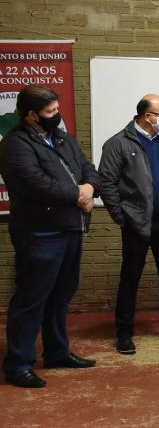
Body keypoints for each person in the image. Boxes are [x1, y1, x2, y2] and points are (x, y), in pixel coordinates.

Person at [0, 85, 100, 388]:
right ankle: (19, 364)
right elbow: (34, 184)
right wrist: (77, 195)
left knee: (61, 295)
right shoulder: (15, 144)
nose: (57, 115)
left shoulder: (62, 137)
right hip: (40, 233)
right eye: (50, 111)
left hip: (71, 229)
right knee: (31, 299)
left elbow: (87, 167)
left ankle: (57, 352)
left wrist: (90, 188)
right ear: (31, 115)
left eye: (57, 109)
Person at [99, 94, 159, 354]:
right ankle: (124, 332)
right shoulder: (118, 143)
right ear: (147, 117)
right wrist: (121, 216)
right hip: (137, 224)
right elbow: (107, 183)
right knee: (130, 278)